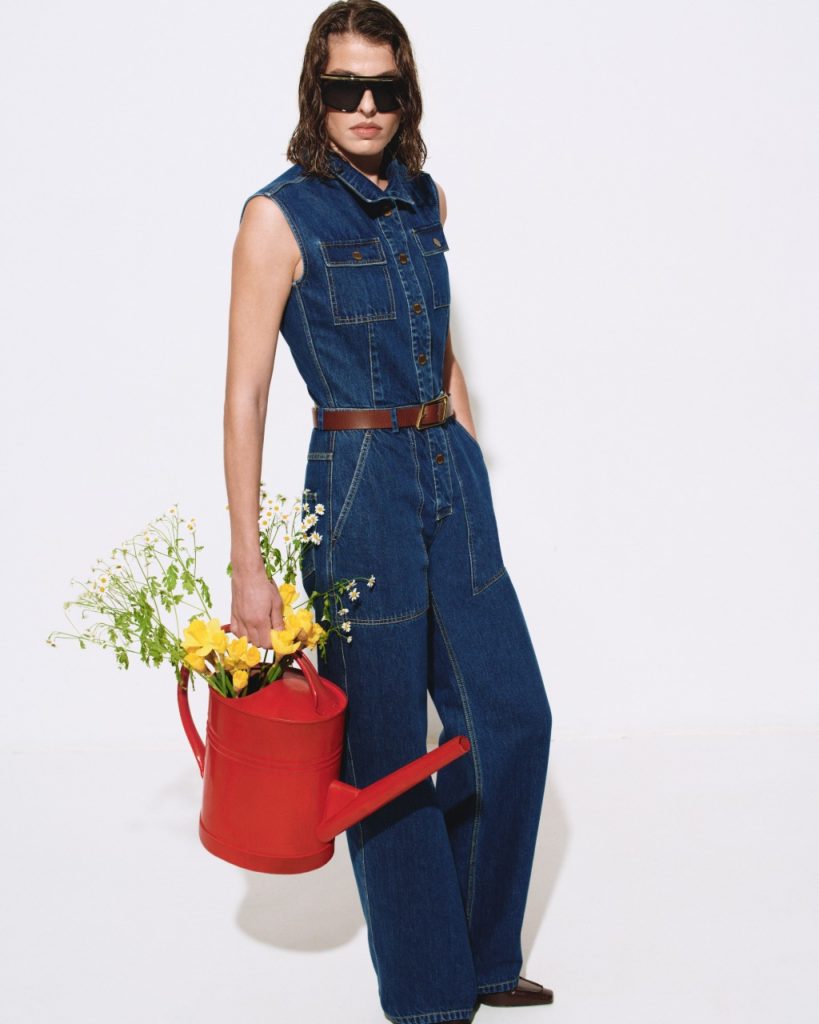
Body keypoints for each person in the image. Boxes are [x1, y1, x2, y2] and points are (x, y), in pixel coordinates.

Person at [224, 3, 553, 1022]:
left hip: (446, 465)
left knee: (511, 715)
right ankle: (427, 994)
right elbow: (245, 395)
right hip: (357, 474)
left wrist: (466, 453)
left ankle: (483, 954)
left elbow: (439, 346)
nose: (364, 106)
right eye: (344, 88)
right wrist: (249, 565)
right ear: (314, 94)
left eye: (384, 88)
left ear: (406, 96)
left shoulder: (424, 199)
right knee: (386, 745)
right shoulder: (277, 218)